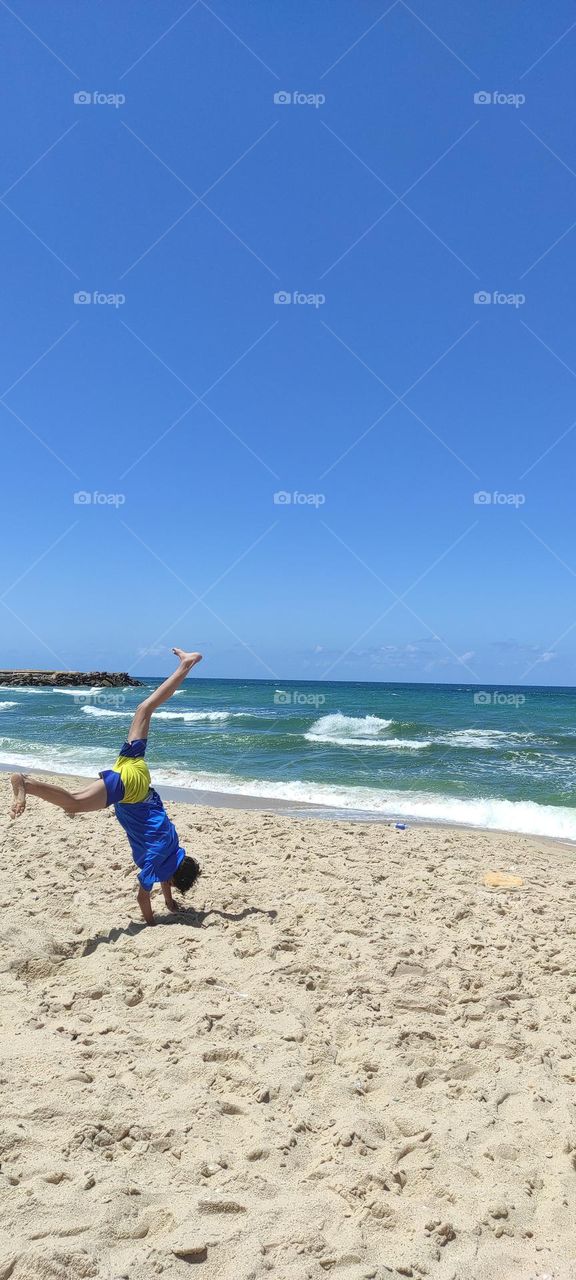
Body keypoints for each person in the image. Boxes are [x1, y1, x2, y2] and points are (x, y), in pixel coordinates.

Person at [9, 647, 203, 926]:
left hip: (136, 772)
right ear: (172, 876)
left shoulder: (172, 845)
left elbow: (165, 870)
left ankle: (186, 664)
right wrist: (152, 924)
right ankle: (26, 783)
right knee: (74, 802)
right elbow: (142, 898)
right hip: (130, 790)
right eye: (169, 883)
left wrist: (169, 902)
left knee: (145, 709)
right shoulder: (155, 862)